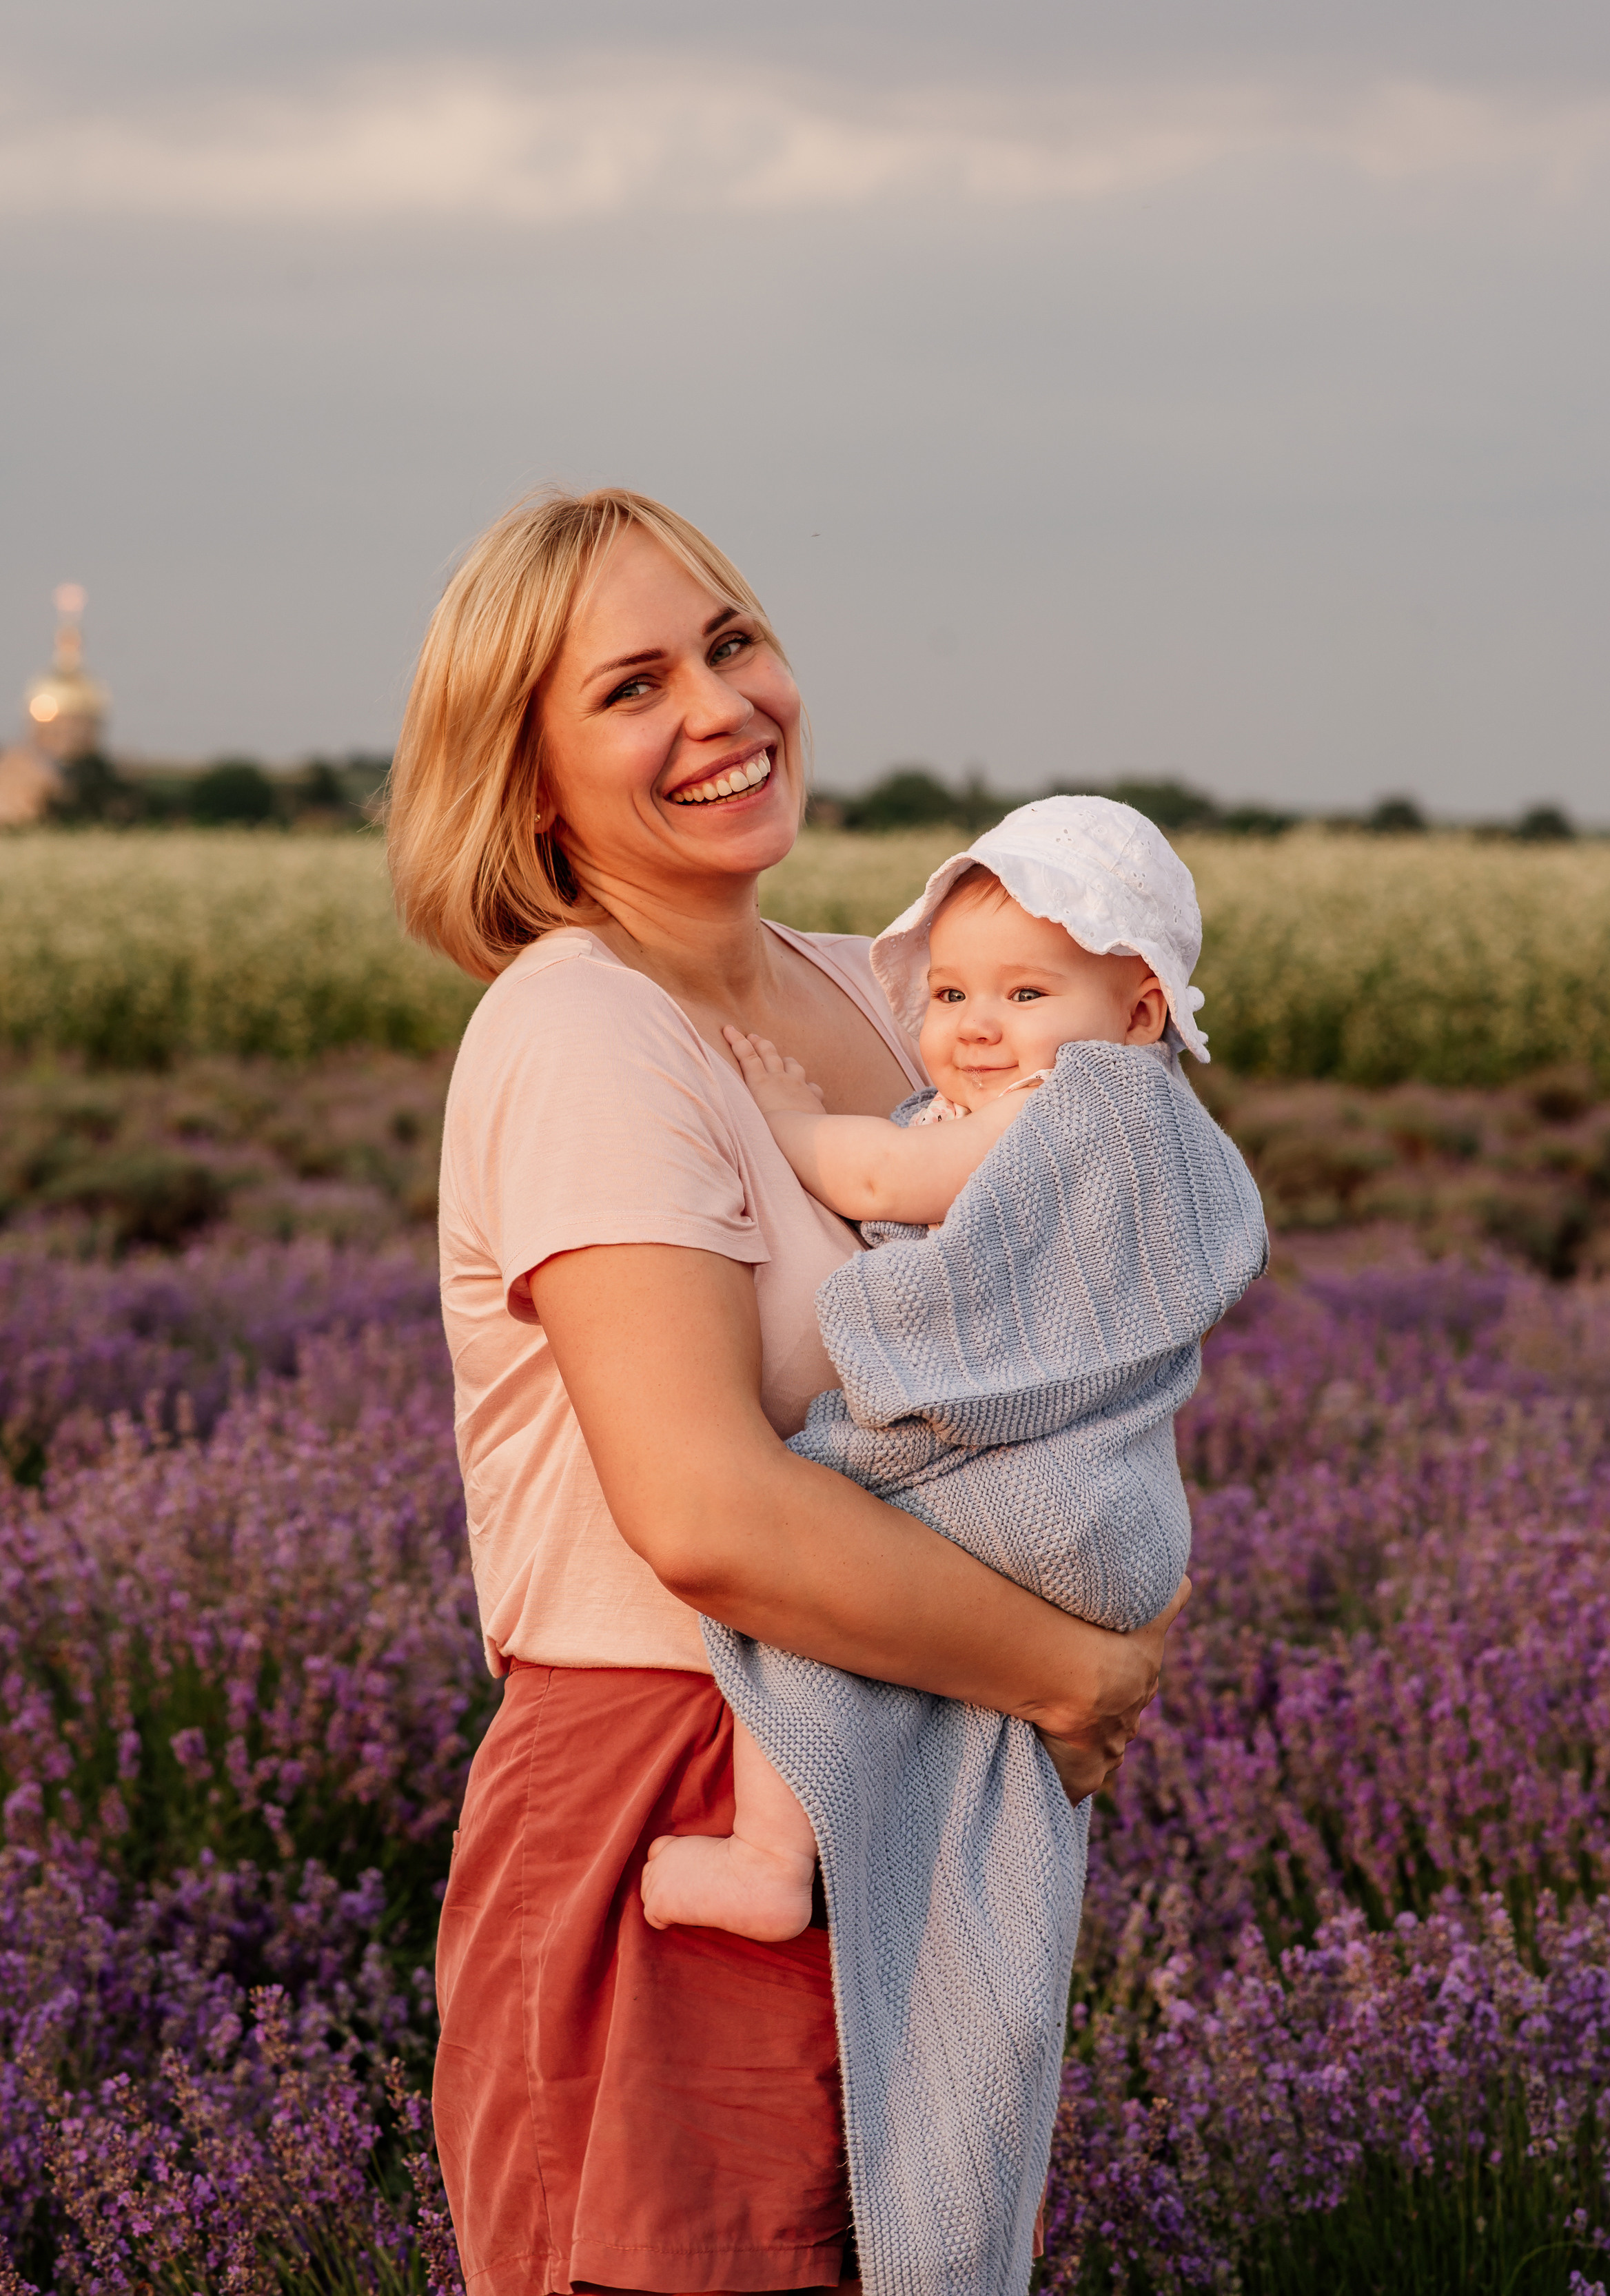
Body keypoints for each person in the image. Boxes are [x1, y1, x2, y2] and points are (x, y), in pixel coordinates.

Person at [387, 491, 1191, 2296]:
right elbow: (705, 1513)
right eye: (632, 687)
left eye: (732, 640)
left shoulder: (892, 997)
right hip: (677, 1794)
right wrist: (1068, 1668)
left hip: (915, 1770)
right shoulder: (585, 1032)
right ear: (526, 781)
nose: (720, 707)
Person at [633, 801, 1267, 2296]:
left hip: (1049, 1505)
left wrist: (774, 1116)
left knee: (803, 1527)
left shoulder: (1076, 1112)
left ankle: (773, 1852)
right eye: (951, 992)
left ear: (1140, 1008)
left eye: (1025, 991)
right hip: (1114, 1525)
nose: (977, 1027)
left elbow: (878, 1185)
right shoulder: (1156, 1136)